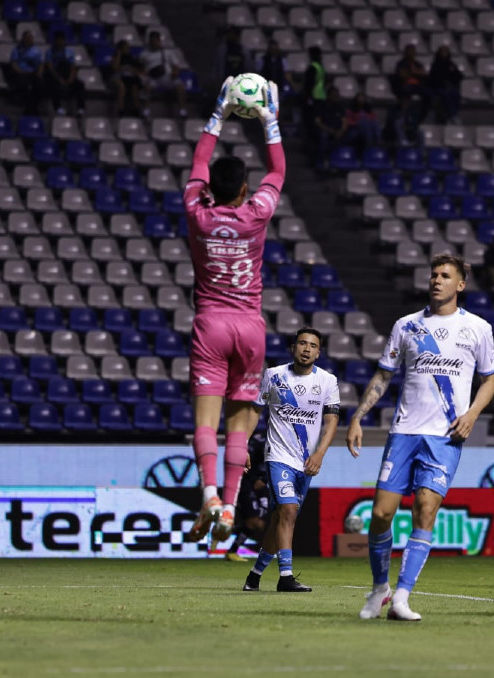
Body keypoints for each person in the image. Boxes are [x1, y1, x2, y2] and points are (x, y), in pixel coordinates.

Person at [348, 254, 494, 621]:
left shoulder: (478, 328)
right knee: (381, 513)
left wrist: (472, 415)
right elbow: (383, 376)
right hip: (404, 432)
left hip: (445, 436)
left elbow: (490, 380)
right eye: (434, 274)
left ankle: (402, 596)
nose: (436, 280)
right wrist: (358, 416)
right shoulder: (407, 325)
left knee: (425, 509)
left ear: (460, 284)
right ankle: (380, 588)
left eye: (445, 275)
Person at [182, 77, 285, 545]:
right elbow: (278, 171)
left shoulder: (197, 212)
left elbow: (198, 164)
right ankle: (229, 501)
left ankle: (208, 495)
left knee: (206, 421)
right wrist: (269, 121)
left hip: (211, 325)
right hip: (250, 328)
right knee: (240, 425)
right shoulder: (256, 212)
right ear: (244, 189)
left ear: (210, 188)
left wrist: (217, 116)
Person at [243, 328, 346, 593]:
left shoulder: (328, 381)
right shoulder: (274, 375)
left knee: (281, 518)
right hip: (278, 456)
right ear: (293, 347)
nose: (307, 348)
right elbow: (255, 411)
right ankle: (286, 577)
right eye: (302, 343)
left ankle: (254, 575)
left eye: (313, 345)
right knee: (288, 511)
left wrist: (319, 454)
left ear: (318, 352)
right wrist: (242, 444)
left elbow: (331, 421)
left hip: (306, 462)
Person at [223, 432, 270, 562]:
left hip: (263, 485)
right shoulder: (258, 441)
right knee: (254, 522)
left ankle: (226, 529)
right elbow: (244, 462)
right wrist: (254, 479)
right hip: (247, 484)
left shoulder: (284, 439)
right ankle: (232, 551)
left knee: (260, 524)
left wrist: (265, 479)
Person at [141, 31, 188, 117]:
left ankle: (182, 111)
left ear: (159, 41)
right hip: (153, 78)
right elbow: (140, 68)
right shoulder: (144, 55)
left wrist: (175, 72)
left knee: (180, 86)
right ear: (150, 41)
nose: (154, 43)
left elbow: (176, 65)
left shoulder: (167, 53)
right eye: (152, 41)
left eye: (156, 40)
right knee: (147, 87)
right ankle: (146, 111)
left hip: (167, 77)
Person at [42, 31, 86, 116]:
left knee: (80, 84)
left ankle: (80, 108)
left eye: (62, 40)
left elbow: (72, 67)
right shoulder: (49, 52)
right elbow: (50, 67)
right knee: (53, 84)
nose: (60, 42)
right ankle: (57, 107)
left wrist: (71, 78)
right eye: (58, 40)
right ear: (55, 41)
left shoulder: (69, 52)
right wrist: (59, 79)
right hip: (54, 74)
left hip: (66, 74)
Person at [8, 31, 44, 114]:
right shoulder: (17, 49)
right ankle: (30, 109)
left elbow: (41, 64)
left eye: (30, 37)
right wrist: (20, 72)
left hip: (33, 74)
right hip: (21, 73)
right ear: (23, 38)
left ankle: (32, 108)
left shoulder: (36, 50)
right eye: (27, 37)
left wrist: (39, 74)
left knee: (41, 85)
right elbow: (13, 63)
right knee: (25, 87)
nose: (29, 39)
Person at [312, 86, 348, 169]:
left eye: (337, 95)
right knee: (323, 136)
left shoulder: (339, 107)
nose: (335, 97)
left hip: (338, 131)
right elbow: (318, 122)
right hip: (325, 129)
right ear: (328, 96)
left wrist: (341, 131)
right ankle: (320, 161)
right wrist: (331, 131)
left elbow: (344, 121)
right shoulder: (321, 106)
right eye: (333, 95)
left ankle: (338, 159)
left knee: (351, 134)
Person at [426, 45, 463, 124]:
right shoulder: (435, 64)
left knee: (456, 94)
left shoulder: (451, 64)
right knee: (447, 94)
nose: (444, 53)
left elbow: (459, 76)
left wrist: (453, 73)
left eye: (446, 51)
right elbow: (432, 78)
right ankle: (451, 116)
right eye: (443, 51)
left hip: (449, 87)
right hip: (438, 87)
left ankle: (455, 114)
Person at [392, 44, 428, 123]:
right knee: (406, 92)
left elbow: (424, 73)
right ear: (406, 52)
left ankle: (421, 118)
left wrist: (413, 72)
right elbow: (401, 75)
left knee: (428, 94)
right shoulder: (401, 63)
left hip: (417, 85)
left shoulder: (418, 64)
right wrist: (414, 72)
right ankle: (403, 116)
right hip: (405, 84)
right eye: (409, 51)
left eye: (413, 52)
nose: (411, 53)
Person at [110, 39, 145, 116]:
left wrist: (131, 70)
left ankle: (136, 109)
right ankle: (121, 110)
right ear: (121, 49)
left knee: (135, 86)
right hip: (117, 77)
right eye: (126, 48)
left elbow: (138, 70)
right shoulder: (115, 56)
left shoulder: (131, 57)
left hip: (129, 77)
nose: (128, 49)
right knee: (121, 86)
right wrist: (119, 55)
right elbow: (115, 68)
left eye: (129, 48)